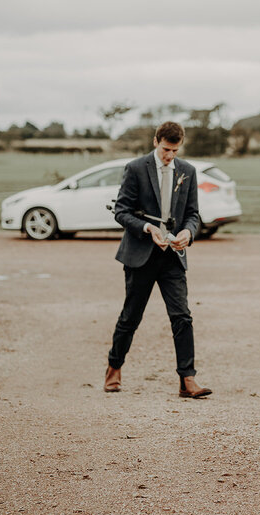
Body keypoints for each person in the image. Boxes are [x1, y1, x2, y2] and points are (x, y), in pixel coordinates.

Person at [104, 121, 212, 398]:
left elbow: (193, 213)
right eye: (166, 149)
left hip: (172, 257)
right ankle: (113, 368)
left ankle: (187, 380)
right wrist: (147, 228)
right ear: (156, 142)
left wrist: (188, 231)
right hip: (140, 255)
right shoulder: (136, 168)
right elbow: (121, 211)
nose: (170, 156)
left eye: (175, 151)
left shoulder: (187, 171)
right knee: (131, 316)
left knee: (182, 317)